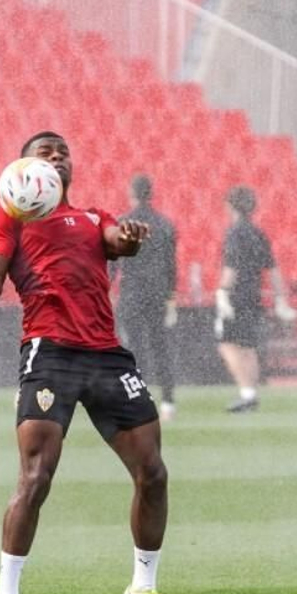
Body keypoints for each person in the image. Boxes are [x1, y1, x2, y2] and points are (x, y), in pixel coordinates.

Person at [0, 131, 174, 594]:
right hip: (50, 354)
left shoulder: (93, 217)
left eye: (62, 150)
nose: (57, 156)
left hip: (106, 354)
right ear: (24, 167)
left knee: (152, 473)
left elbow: (115, 243)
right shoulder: (11, 217)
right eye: (45, 151)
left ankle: (144, 588)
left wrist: (126, 240)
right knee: (36, 477)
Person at [213, 185, 297, 413]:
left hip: (236, 296)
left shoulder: (234, 232)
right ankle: (251, 394)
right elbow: (273, 269)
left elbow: (232, 267)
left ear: (230, 205)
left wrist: (222, 291)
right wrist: (281, 299)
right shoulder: (258, 233)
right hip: (253, 295)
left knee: (227, 344)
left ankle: (247, 393)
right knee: (248, 346)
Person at [115, 173, 179, 422]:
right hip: (157, 293)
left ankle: (136, 400)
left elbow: (113, 264)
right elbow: (171, 265)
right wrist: (171, 296)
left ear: (131, 193)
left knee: (132, 349)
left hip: (132, 293)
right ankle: (169, 402)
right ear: (151, 194)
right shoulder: (164, 225)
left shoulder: (122, 223)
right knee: (161, 347)